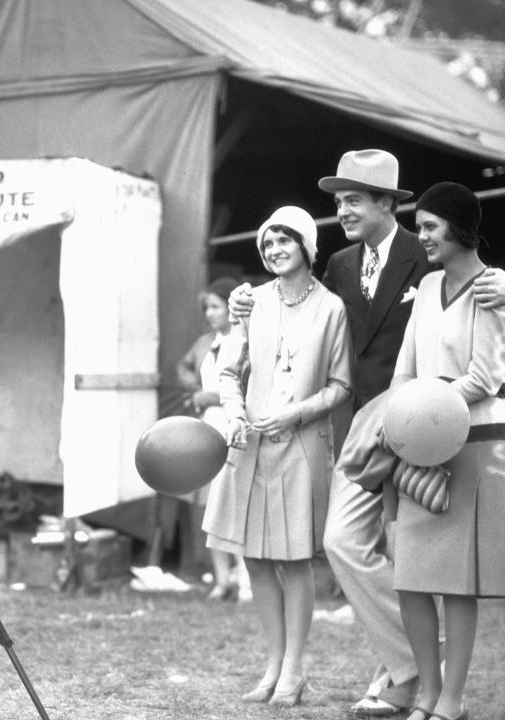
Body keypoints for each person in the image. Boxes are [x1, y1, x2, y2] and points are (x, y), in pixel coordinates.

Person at [229, 150, 505, 718]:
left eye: (353, 199)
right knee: (343, 544)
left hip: (430, 430)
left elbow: (481, 306)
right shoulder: (339, 266)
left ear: (388, 203)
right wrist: (243, 299)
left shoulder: (430, 260)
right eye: (337, 201)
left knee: (410, 556)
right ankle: (414, 664)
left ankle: (406, 682)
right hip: (361, 431)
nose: (342, 210)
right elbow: (299, 296)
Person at [203, 206, 352, 707]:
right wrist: (235, 415)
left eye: (285, 240)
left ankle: (295, 668)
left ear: (307, 247)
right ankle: (272, 664)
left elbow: (340, 386)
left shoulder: (331, 307)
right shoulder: (250, 303)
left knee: (292, 559)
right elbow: (228, 372)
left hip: (301, 445)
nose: (274, 250)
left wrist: (295, 415)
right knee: (255, 558)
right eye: (268, 243)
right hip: (250, 444)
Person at [389, 182, 505, 720]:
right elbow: (404, 369)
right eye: (420, 225)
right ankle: (429, 692)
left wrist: (426, 409)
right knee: (411, 575)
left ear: (461, 227)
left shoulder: (491, 288)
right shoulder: (427, 284)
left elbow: (485, 377)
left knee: (456, 582)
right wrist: (400, 419)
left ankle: (452, 701)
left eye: (431, 226)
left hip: (472, 444)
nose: (423, 235)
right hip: (416, 442)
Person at [176, 276, 252, 602]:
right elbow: (182, 367)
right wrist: (196, 391)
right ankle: (222, 580)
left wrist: (211, 397)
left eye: (216, 306)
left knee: (235, 508)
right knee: (210, 509)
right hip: (208, 428)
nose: (210, 313)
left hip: (234, 426)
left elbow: (250, 387)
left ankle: (247, 579)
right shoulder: (205, 343)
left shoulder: (246, 341)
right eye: (206, 307)